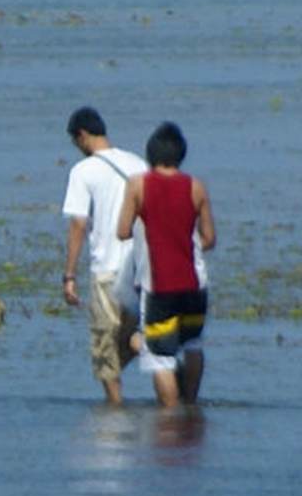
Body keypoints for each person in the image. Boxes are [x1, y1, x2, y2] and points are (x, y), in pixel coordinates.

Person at [117, 121, 217, 408]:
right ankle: (192, 407)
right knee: (193, 345)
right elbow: (209, 238)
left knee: (159, 356)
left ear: (150, 153)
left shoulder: (138, 185)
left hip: (158, 284)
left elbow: (122, 231)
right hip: (195, 284)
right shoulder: (196, 187)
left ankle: (171, 416)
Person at [60, 105, 148, 405]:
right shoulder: (137, 163)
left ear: (82, 136)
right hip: (140, 268)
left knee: (103, 347)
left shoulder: (83, 171)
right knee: (129, 336)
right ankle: (162, 360)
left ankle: (115, 410)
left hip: (107, 270)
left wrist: (69, 275)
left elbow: (78, 224)